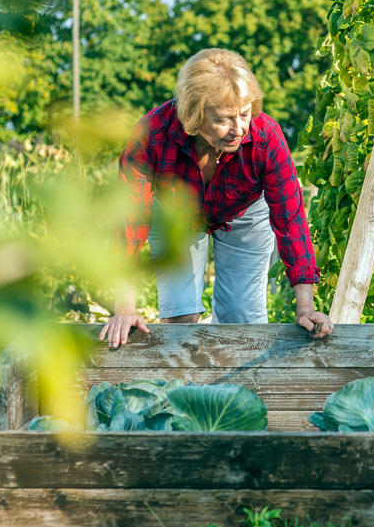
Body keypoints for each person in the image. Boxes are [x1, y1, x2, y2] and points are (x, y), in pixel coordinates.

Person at [99, 48, 333, 348]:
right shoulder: (152, 136)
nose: (238, 130)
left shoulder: (267, 139)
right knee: (180, 318)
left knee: (242, 319)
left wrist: (306, 308)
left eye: (245, 115)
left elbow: (290, 221)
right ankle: (184, 389)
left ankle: (235, 392)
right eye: (223, 119)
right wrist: (125, 309)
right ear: (194, 117)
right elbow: (128, 225)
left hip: (245, 212)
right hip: (177, 213)